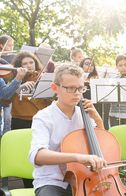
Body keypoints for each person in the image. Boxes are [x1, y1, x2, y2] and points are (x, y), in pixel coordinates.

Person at [29, 64, 107, 196]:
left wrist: (99, 121)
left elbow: (102, 146)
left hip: (86, 178)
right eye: (71, 88)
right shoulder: (43, 117)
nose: (77, 93)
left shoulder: (85, 114)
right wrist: (77, 157)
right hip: (52, 182)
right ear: (55, 88)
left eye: (80, 88)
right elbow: (37, 156)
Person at [10, 52, 52, 130]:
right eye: (25, 63)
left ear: (35, 64)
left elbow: (50, 101)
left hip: (41, 118)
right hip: (20, 119)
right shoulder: (14, 78)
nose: (29, 65)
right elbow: (5, 100)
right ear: (20, 66)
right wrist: (18, 86)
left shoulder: (44, 78)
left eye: (31, 62)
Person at [0, 34, 17, 134]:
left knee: (7, 119)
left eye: (12, 45)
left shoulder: (14, 57)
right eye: (9, 45)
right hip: (2, 91)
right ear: (1, 45)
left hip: (10, 92)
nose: (12, 48)